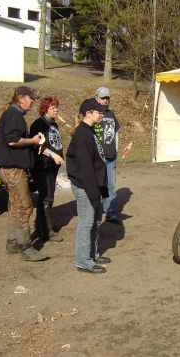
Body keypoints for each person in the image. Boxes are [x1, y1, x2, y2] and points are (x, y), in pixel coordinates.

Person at [0, 85, 47, 261]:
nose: (33, 102)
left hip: (9, 169)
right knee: (25, 206)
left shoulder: (12, 114)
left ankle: (13, 243)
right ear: (21, 99)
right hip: (13, 169)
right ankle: (25, 247)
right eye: (31, 98)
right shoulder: (14, 115)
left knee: (16, 206)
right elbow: (13, 141)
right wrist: (33, 141)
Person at [66, 98, 111, 274]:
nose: (101, 115)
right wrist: (93, 193)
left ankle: (92, 254)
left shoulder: (89, 131)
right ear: (88, 113)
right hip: (85, 186)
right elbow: (85, 167)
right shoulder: (82, 134)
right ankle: (83, 262)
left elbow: (97, 161)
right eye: (99, 112)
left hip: (94, 186)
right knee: (86, 223)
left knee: (95, 221)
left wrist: (102, 189)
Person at [30, 96, 65, 242]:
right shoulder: (38, 124)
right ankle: (46, 231)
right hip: (42, 166)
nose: (56, 110)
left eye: (57, 107)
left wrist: (59, 156)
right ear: (45, 109)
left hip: (52, 166)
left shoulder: (54, 124)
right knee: (46, 198)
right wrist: (53, 155)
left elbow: (54, 143)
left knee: (48, 196)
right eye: (53, 108)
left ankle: (42, 226)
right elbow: (38, 146)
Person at [94, 87, 121, 223]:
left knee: (110, 185)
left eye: (107, 98)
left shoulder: (111, 114)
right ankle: (96, 214)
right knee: (97, 186)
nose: (105, 100)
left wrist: (116, 149)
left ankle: (111, 214)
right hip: (97, 158)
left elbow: (116, 132)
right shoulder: (93, 114)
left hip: (111, 157)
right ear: (96, 98)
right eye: (103, 98)